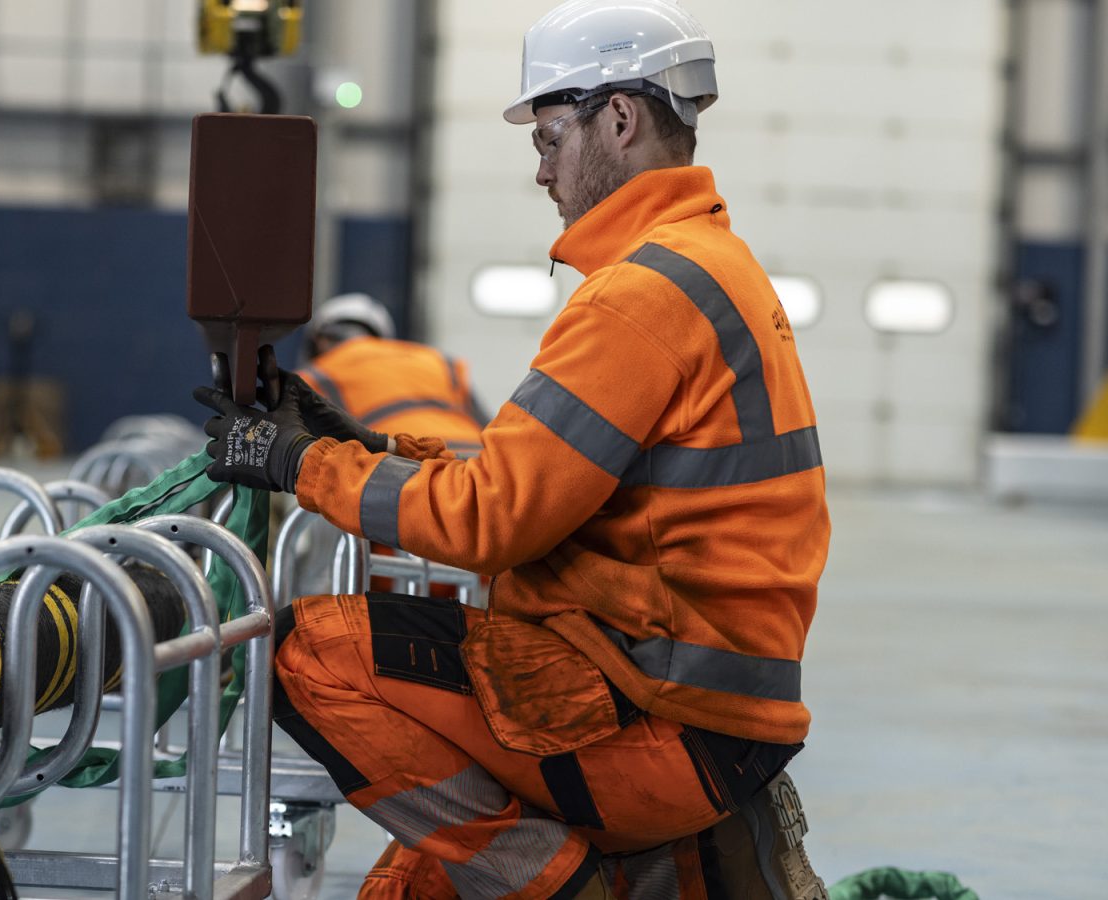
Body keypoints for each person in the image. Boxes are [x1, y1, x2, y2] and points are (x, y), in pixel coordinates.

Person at [195, 2, 831, 897]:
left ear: (620, 117)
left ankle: (558, 885)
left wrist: (294, 463)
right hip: (704, 705)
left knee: (303, 651)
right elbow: (528, 482)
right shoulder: (712, 266)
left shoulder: (640, 296)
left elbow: (493, 522)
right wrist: (358, 442)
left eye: (548, 136)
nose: (542, 171)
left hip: (652, 712)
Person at [297, 291, 488, 458]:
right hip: (474, 464)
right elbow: (487, 425)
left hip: (405, 467)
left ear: (320, 340)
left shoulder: (316, 375)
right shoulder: (440, 361)